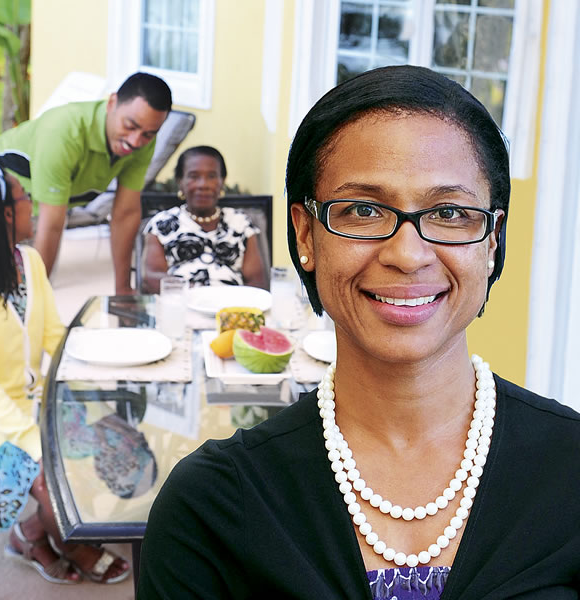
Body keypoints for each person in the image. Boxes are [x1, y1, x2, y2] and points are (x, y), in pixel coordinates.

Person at [137, 66, 580, 599]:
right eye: (364, 210)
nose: (409, 255)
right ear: (306, 234)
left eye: (449, 212)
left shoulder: (571, 471)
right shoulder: (209, 508)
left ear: (492, 241)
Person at [0, 165, 130, 584]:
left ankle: (30, 534)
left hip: (37, 400)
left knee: (113, 439)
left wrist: (97, 367)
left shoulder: (29, 261)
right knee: (52, 480)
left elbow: (53, 336)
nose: (34, 204)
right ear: (5, 213)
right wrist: (33, 441)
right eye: (24, 197)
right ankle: (69, 543)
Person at [0, 72, 172, 295]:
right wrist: (37, 298)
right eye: (129, 126)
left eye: (148, 134)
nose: (135, 141)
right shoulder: (64, 131)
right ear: (112, 103)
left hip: (30, 211)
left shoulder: (142, 141)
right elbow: (51, 223)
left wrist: (123, 291)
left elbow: (126, 213)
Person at [142, 145, 266, 292]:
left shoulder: (240, 223)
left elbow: (256, 281)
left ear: (222, 181)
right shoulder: (161, 224)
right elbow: (151, 278)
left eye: (211, 176)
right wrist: (198, 294)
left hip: (232, 304)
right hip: (181, 302)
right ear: (180, 181)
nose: (203, 185)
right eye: (194, 176)